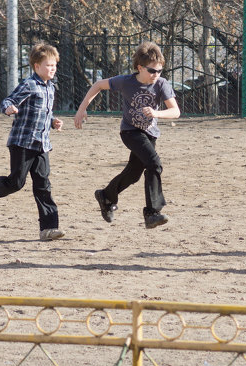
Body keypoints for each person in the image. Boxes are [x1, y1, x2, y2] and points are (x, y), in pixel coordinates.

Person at [74, 41, 180, 229]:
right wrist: (82, 109)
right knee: (154, 163)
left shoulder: (161, 84)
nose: (156, 75)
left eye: (159, 71)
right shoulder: (126, 81)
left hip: (150, 133)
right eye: (152, 71)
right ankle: (152, 213)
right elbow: (98, 85)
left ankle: (106, 196)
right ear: (140, 67)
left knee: (133, 174)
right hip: (130, 131)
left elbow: (175, 111)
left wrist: (157, 113)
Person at [0, 42, 64, 241]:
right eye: (49, 65)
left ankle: (48, 229)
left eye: (55, 65)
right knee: (16, 183)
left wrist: (53, 122)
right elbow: (8, 101)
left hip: (42, 144)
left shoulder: (51, 87)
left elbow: (43, 113)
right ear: (36, 66)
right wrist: (9, 109)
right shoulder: (30, 84)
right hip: (22, 143)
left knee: (43, 185)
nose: (53, 69)